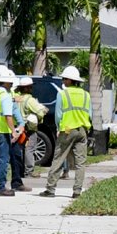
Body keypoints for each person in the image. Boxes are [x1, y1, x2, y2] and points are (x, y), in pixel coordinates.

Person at [42, 66, 91, 198]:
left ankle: (50, 189)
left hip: (67, 130)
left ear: (70, 80)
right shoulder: (86, 95)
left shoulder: (62, 94)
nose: (62, 80)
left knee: (58, 158)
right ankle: (77, 191)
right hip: (82, 130)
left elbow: (58, 115)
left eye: (64, 78)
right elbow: (89, 114)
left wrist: (59, 127)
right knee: (80, 162)